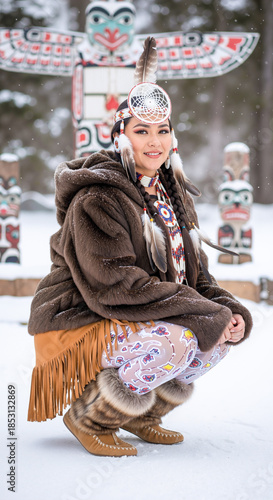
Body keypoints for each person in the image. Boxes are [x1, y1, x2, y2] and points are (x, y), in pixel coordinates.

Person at [27, 38, 252, 457]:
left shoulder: (172, 195)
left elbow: (198, 278)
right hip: (81, 319)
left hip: (125, 314)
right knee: (180, 339)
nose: (155, 141)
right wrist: (201, 311)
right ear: (122, 137)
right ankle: (91, 415)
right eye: (141, 131)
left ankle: (141, 415)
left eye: (162, 131)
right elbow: (114, 284)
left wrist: (228, 311)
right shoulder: (99, 197)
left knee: (219, 333)